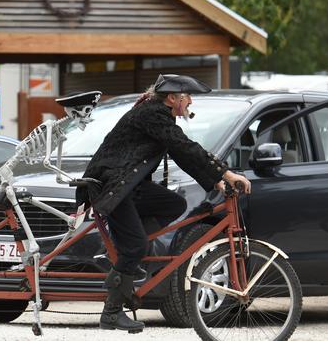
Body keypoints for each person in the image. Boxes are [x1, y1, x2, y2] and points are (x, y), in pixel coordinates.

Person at [76, 74, 252, 333]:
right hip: (113, 186)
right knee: (135, 245)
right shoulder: (153, 114)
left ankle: (130, 249)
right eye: (187, 96)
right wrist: (226, 173)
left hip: (128, 185)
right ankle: (112, 312)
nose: (190, 101)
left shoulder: (156, 113)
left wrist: (215, 180)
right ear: (172, 98)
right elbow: (184, 147)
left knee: (173, 204)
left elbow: (183, 154)